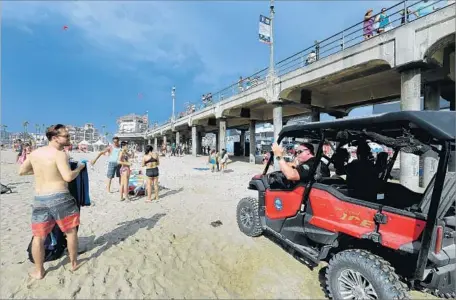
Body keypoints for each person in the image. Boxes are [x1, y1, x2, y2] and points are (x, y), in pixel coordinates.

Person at [18, 124, 85, 279]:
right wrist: (79, 168)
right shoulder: (59, 153)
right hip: (60, 196)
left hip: (40, 198)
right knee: (70, 232)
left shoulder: (35, 154)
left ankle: (39, 271)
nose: (69, 138)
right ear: (55, 138)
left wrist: (41, 170)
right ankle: (74, 263)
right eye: (66, 136)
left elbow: (21, 171)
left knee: (38, 236)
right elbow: (68, 177)